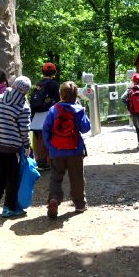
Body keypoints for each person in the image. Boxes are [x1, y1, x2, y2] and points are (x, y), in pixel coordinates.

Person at [43, 81, 91, 219]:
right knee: (77, 178)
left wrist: (51, 146)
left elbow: (46, 130)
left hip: (56, 150)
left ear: (61, 94)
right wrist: (84, 113)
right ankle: (80, 204)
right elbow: (86, 128)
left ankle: (54, 199)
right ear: (76, 95)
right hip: (75, 150)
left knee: (56, 177)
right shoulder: (78, 110)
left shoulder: (53, 110)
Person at [0, 75, 32, 218]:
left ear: (13, 85)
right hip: (13, 146)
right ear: (26, 91)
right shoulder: (23, 106)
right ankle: (9, 207)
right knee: (13, 176)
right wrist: (27, 146)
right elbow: (24, 129)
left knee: (3, 171)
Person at [29, 62, 61, 169]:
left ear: (43, 72)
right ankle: (46, 160)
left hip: (36, 116)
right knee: (47, 136)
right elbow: (58, 100)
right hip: (48, 115)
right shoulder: (54, 84)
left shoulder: (38, 84)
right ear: (54, 73)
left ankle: (38, 159)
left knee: (38, 138)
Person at [120, 73, 139, 149]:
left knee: (138, 127)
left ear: (133, 81)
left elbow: (122, 98)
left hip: (134, 112)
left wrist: (128, 104)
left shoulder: (130, 89)